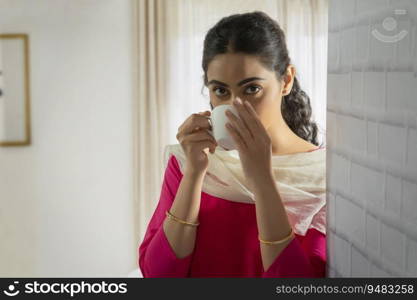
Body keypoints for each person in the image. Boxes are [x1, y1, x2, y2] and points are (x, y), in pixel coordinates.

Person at [138, 11, 326, 277]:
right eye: (221, 91)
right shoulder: (187, 162)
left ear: (286, 80)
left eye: (251, 89)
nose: (234, 106)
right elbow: (158, 275)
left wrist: (262, 180)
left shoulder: (321, 175)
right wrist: (193, 175)